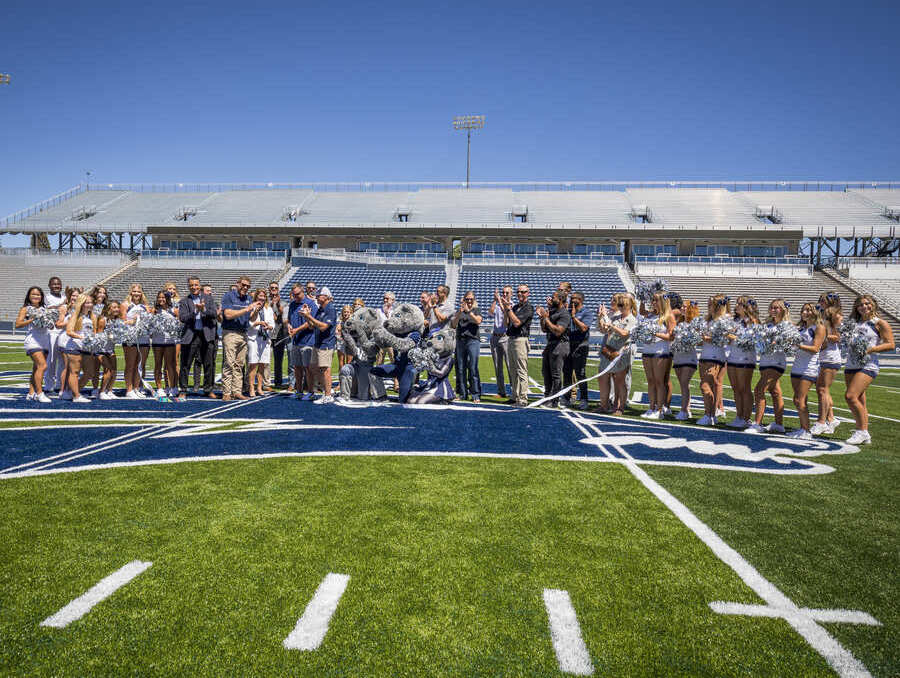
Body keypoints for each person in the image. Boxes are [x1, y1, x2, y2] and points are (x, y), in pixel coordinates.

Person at [844, 294, 895, 445]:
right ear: (856, 307)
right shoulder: (853, 323)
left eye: (867, 303)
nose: (864, 307)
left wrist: (870, 349)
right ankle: (863, 431)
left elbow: (890, 344)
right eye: (860, 304)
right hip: (851, 364)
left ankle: (862, 432)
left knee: (850, 396)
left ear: (873, 305)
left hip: (868, 364)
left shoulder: (879, 323)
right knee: (860, 400)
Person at [746, 299, 791, 434]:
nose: (773, 310)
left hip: (776, 362)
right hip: (765, 362)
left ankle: (757, 424)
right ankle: (778, 424)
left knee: (759, 390)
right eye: (771, 307)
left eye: (776, 308)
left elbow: (786, 344)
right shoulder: (768, 325)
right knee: (775, 392)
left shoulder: (787, 325)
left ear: (783, 309)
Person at [788, 303, 826, 439]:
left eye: (809, 310)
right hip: (797, 365)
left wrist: (798, 345)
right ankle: (803, 428)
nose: (805, 312)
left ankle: (806, 431)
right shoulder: (802, 328)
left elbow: (816, 348)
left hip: (809, 367)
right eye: (803, 310)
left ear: (815, 312)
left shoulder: (819, 327)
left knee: (800, 399)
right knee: (797, 399)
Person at [220, 276, 261, 401]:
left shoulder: (248, 298)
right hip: (230, 332)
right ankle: (226, 392)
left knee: (239, 364)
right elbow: (227, 314)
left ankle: (237, 391)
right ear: (238, 284)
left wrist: (256, 311)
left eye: (248, 286)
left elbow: (251, 318)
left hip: (243, 333)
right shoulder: (229, 296)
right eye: (243, 285)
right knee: (229, 363)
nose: (245, 288)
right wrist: (247, 309)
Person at [178, 277, 219, 398]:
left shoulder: (208, 298)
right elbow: (183, 318)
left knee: (208, 364)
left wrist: (204, 310)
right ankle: (183, 389)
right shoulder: (185, 301)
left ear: (199, 286)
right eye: (191, 285)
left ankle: (208, 389)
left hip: (206, 335)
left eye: (196, 285)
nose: (194, 287)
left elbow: (214, 314)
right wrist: (195, 311)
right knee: (186, 364)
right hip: (191, 335)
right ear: (188, 286)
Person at [597, 294, 637, 415]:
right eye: (619, 305)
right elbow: (604, 330)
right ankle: (604, 405)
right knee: (603, 377)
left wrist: (612, 326)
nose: (620, 307)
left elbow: (625, 333)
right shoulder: (616, 317)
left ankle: (619, 407)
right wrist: (602, 317)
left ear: (629, 305)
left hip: (621, 352)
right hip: (608, 350)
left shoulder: (632, 319)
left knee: (620, 381)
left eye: (622, 305)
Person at [642, 292, 676, 419]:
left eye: (655, 300)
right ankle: (651, 408)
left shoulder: (668, 316)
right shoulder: (650, 315)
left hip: (660, 352)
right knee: (650, 381)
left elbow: (671, 337)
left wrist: (654, 333)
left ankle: (660, 409)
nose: (653, 302)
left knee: (659, 381)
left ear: (662, 301)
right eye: (652, 300)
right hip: (647, 351)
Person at [697, 294, 730, 426]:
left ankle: (709, 415)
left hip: (716, 357)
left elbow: (725, 338)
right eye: (708, 304)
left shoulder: (725, 320)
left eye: (711, 304)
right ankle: (711, 414)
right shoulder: (708, 320)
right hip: (705, 355)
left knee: (705, 386)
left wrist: (707, 338)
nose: (708, 306)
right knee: (708, 385)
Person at [16, 286, 52, 402]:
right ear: (29, 296)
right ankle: (40, 393)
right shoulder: (26, 309)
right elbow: (18, 324)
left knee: (37, 368)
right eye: (33, 294)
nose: (36, 296)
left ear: (41, 296)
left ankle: (31, 393)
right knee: (43, 366)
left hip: (45, 340)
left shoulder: (45, 308)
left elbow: (50, 324)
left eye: (38, 294)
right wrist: (32, 319)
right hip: (33, 340)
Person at [302, 286, 338, 404]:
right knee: (313, 367)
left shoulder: (330, 309)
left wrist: (309, 316)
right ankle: (327, 389)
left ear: (326, 297)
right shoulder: (320, 309)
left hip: (325, 343)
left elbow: (323, 327)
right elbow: (312, 326)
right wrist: (307, 316)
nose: (317, 297)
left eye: (319, 295)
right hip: (318, 343)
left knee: (325, 369)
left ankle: (327, 395)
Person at [812, 304, 843, 435]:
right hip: (823, 358)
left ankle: (821, 422)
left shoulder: (832, 321)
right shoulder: (822, 323)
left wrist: (821, 336)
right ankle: (831, 418)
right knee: (822, 390)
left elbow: (837, 337)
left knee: (822, 390)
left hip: (830, 359)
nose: (820, 306)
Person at [536, 290, 571, 408]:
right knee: (546, 372)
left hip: (560, 344)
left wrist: (546, 318)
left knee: (556, 374)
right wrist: (542, 318)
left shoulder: (564, 314)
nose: (551, 299)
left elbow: (558, 331)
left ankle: (554, 400)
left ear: (560, 300)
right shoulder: (552, 312)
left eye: (554, 297)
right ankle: (547, 396)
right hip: (551, 344)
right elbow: (544, 329)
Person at [503, 285, 534, 407]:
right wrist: (506, 310)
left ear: (528, 293)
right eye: (518, 292)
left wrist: (508, 309)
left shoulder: (528, 308)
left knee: (521, 370)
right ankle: (514, 396)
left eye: (523, 292)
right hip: (511, 339)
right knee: (513, 370)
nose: (520, 294)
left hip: (520, 339)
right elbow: (507, 323)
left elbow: (516, 323)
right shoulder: (515, 307)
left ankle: (523, 398)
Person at [63, 293, 96, 403]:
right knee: (75, 372)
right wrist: (82, 337)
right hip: (74, 347)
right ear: (81, 303)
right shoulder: (75, 315)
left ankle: (73, 392)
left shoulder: (90, 316)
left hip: (86, 348)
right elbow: (69, 331)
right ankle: (76, 396)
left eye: (91, 302)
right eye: (87, 302)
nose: (89, 305)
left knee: (89, 373)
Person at [561, 291, 591, 410]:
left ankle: (584, 399)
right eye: (571, 298)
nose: (572, 300)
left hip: (581, 346)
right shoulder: (568, 311)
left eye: (575, 298)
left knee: (580, 374)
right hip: (569, 345)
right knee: (567, 373)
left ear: (581, 300)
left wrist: (574, 317)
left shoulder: (586, 312)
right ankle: (566, 398)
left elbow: (584, 328)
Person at [121, 283, 151, 399]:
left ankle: (136, 388)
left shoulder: (146, 307)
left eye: (139, 291)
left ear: (142, 293)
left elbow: (149, 322)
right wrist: (132, 321)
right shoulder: (125, 305)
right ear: (130, 292)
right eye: (134, 291)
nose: (136, 294)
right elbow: (122, 322)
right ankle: (129, 389)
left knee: (140, 364)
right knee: (130, 364)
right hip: (130, 338)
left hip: (143, 338)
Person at [451, 291, 482, 402]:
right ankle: (463, 394)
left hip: (473, 340)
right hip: (460, 340)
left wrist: (469, 312)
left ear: (474, 300)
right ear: (463, 300)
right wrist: (459, 313)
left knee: (473, 367)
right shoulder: (459, 311)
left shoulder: (476, 310)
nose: (469, 301)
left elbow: (478, 321)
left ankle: (475, 394)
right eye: (467, 299)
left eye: (471, 299)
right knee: (460, 368)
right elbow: (453, 325)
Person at [672, 300, 700, 420]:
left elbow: (699, 340)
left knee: (684, 383)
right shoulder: (679, 322)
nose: (682, 308)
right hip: (678, 356)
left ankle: (684, 410)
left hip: (689, 356)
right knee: (682, 385)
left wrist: (688, 341)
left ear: (690, 309)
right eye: (682, 306)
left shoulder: (695, 323)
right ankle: (686, 409)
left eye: (685, 306)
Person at [292, 281, 319, 400]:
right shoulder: (293, 304)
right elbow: (289, 319)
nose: (295, 297)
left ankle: (311, 391)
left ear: (302, 292)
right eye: (294, 294)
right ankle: (298, 390)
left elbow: (311, 322)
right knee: (297, 367)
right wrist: (289, 327)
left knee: (308, 367)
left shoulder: (311, 304)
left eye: (297, 294)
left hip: (308, 340)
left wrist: (296, 330)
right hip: (296, 340)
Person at [151, 290, 178, 399]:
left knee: (169, 365)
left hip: (169, 341)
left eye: (163, 297)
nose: (161, 299)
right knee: (158, 364)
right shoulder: (154, 311)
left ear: (168, 298)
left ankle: (171, 387)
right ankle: (160, 388)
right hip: (157, 341)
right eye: (159, 298)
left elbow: (179, 325)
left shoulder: (174, 310)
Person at [247, 288, 275, 397]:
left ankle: (259, 387)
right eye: (260, 296)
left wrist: (269, 326)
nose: (262, 298)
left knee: (262, 364)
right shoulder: (251, 307)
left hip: (265, 338)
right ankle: (251, 388)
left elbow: (273, 324)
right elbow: (249, 322)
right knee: (253, 364)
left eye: (264, 296)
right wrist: (258, 322)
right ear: (256, 297)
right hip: (254, 338)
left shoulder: (269, 309)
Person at [489, 286, 513, 399]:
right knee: (498, 366)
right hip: (495, 337)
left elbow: (506, 314)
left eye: (506, 293)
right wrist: (495, 300)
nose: (504, 294)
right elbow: (490, 313)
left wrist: (499, 301)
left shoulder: (511, 304)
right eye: (503, 292)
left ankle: (514, 391)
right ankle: (501, 391)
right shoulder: (497, 304)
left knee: (510, 365)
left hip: (505, 337)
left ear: (511, 294)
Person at [44, 276, 66, 392]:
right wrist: (63, 304)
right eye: (54, 284)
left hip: (63, 331)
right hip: (52, 331)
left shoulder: (64, 297)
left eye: (58, 284)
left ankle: (59, 384)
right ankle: (48, 384)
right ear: (49, 285)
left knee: (62, 360)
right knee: (51, 359)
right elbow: (51, 309)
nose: (56, 286)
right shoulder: (47, 297)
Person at [96, 300, 120, 400]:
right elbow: (98, 335)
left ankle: (109, 390)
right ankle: (101, 392)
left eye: (117, 307)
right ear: (108, 309)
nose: (117, 309)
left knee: (114, 370)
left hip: (111, 349)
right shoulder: (103, 320)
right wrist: (108, 336)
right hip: (102, 349)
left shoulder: (115, 321)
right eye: (114, 307)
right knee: (108, 370)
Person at [269, 281, 288, 389]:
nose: (274, 290)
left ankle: (278, 381)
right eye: (272, 288)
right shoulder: (265, 302)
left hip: (279, 333)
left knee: (278, 360)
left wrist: (277, 306)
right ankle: (264, 382)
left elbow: (282, 317)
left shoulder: (284, 303)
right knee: (264, 360)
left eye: (276, 288)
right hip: (266, 333)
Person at [337, 305, 354, 372]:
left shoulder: (352, 321)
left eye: (348, 312)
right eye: (345, 312)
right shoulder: (339, 320)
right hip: (341, 342)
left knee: (349, 361)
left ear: (351, 313)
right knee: (341, 362)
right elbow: (338, 330)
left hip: (350, 342)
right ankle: (341, 379)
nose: (346, 313)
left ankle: (349, 379)